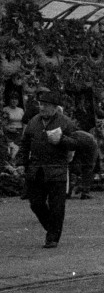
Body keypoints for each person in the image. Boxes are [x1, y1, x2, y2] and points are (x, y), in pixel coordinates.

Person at [16, 89, 82, 248]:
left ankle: (52, 237)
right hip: (36, 169)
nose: (42, 108)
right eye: (41, 104)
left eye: (45, 105)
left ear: (54, 107)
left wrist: (61, 139)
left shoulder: (65, 122)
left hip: (56, 170)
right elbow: (25, 144)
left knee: (57, 206)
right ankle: (51, 228)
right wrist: (20, 162)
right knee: (36, 203)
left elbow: (76, 142)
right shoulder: (34, 121)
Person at [3, 92, 25, 160]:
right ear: (9, 100)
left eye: (16, 99)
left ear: (18, 101)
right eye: (12, 99)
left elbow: (24, 123)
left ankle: (16, 167)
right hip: (9, 132)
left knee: (18, 151)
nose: (14, 101)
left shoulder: (21, 110)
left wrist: (23, 133)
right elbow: (3, 124)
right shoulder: (5, 109)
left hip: (19, 132)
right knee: (9, 151)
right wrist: (9, 129)